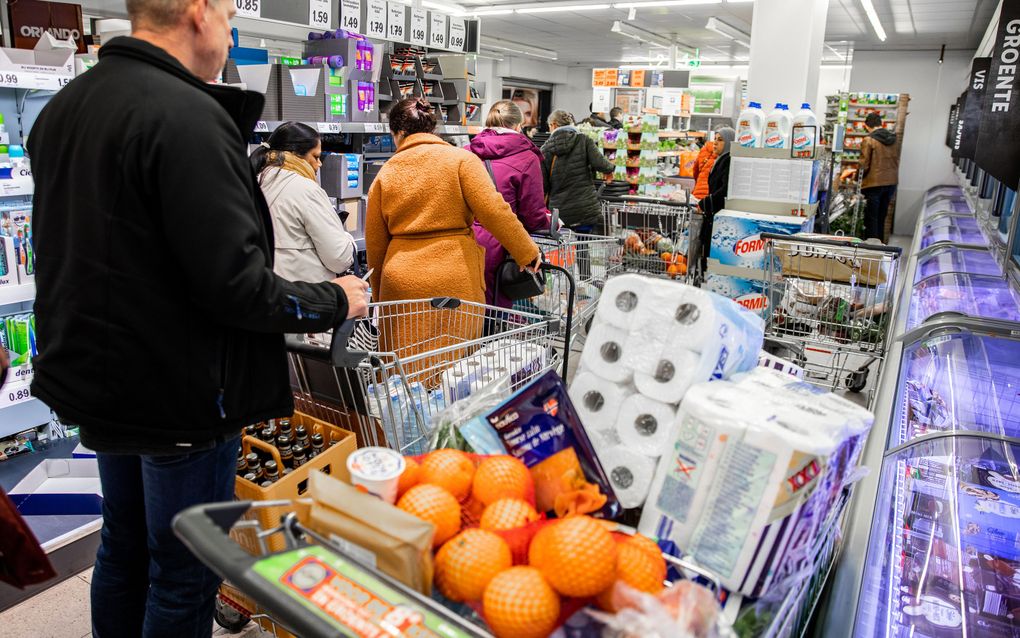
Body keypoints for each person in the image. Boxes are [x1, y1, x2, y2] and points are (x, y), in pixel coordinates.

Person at [26, 1, 369, 636]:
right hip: (183, 390)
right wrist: (336, 299)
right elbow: (236, 288)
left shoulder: (65, 110)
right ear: (198, 12)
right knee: (183, 573)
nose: (233, 33)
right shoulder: (187, 116)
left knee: (122, 548)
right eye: (231, 18)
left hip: (102, 379)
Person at [366, 98, 540, 363]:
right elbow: (494, 210)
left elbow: (376, 244)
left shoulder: (386, 173)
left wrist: (380, 297)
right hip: (455, 273)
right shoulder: (461, 160)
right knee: (454, 363)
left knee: (405, 364)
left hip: (401, 280)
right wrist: (526, 251)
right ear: (433, 129)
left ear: (396, 133)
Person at [467, 100, 551, 308]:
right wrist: (551, 224)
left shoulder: (466, 151)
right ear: (517, 126)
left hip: (464, 239)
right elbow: (533, 214)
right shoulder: (526, 157)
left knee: (468, 308)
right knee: (495, 307)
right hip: (501, 242)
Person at [252, 122, 357, 282]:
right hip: (305, 296)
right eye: (315, 156)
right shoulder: (306, 190)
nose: (320, 164)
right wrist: (348, 240)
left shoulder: (254, 181)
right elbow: (339, 258)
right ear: (295, 154)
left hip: (267, 291)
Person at [542, 109, 617, 232]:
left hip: (560, 212)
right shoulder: (583, 140)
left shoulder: (545, 149)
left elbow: (543, 185)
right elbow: (601, 164)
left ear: (554, 125)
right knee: (583, 244)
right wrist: (609, 171)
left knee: (562, 249)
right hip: (585, 209)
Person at [698, 127, 737, 271]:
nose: (715, 143)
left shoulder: (729, 161)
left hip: (719, 218)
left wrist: (705, 203)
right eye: (715, 139)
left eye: (720, 140)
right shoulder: (721, 160)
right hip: (714, 216)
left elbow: (725, 190)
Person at [859, 112, 900, 240]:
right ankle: (881, 246)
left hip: (874, 184)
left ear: (867, 126)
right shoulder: (894, 139)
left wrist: (857, 178)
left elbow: (864, 164)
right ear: (880, 124)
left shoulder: (869, 140)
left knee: (871, 217)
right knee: (882, 216)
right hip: (891, 183)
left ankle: (871, 249)